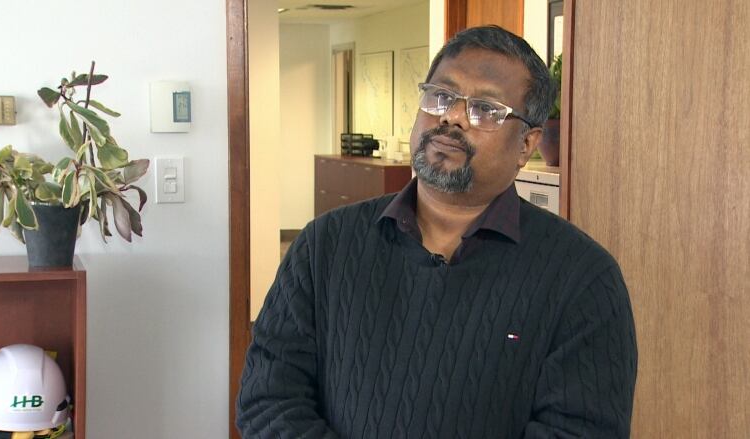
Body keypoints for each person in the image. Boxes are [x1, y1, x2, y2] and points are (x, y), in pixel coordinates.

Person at [237, 25, 637, 438]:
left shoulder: (582, 278)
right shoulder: (326, 244)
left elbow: (580, 431)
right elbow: (268, 399)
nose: (451, 117)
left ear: (526, 144)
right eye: (441, 97)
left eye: (484, 108)